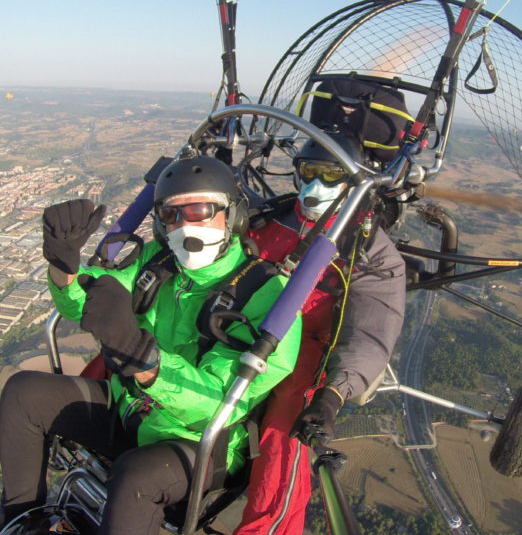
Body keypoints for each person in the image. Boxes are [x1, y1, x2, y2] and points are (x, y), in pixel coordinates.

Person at [0, 156, 302, 535]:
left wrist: (144, 362)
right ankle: (25, 521)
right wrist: (64, 267)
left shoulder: (268, 297)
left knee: (135, 477)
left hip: (199, 441)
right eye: (172, 214)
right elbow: (91, 302)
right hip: (132, 409)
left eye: (200, 210)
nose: (186, 224)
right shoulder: (157, 263)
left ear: (233, 215)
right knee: (22, 393)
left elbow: (218, 404)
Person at [234, 132, 406, 534]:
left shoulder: (369, 250)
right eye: (309, 171)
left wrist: (332, 396)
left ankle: (268, 527)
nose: (316, 184)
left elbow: (369, 330)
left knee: (285, 428)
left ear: (351, 182)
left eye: (330, 175)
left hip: (306, 347)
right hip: (240, 325)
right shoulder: (268, 218)